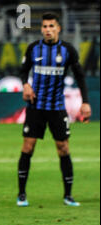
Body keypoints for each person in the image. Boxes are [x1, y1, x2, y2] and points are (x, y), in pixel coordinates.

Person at [17, 12, 91, 207]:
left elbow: (80, 77)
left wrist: (85, 102)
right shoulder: (34, 48)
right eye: (44, 26)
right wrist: (25, 84)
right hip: (35, 107)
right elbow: (23, 70)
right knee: (28, 147)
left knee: (63, 148)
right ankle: (21, 194)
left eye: (51, 26)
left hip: (57, 108)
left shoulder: (68, 50)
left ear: (58, 28)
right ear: (41, 29)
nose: (47, 30)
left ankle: (68, 195)